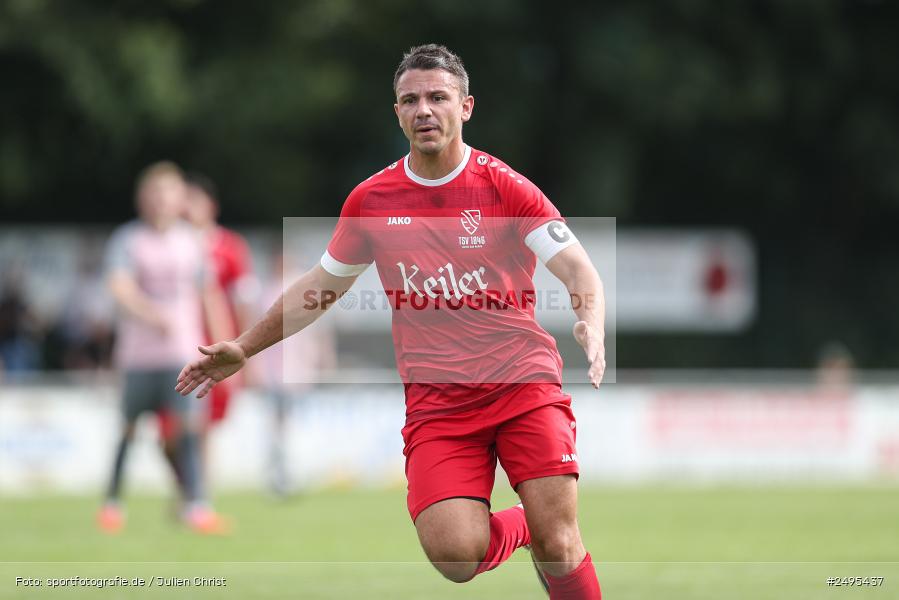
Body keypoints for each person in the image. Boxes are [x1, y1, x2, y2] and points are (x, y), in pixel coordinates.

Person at [176, 45, 606, 598]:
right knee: (455, 556)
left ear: (466, 106)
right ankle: (529, 525)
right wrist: (244, 346)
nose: (424, 109)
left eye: (438, 97)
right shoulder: (373, 199)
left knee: (562, 544)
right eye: (411, 100)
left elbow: (577, 269)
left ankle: (545, 528)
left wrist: (590, 320)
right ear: (397, 113)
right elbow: (322, 286)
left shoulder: (504, 187)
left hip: (523, 384)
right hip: (439, 402)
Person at [98, 161, 230, 535]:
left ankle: (197, 506)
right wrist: (151, 314)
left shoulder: (192, 241)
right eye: (154, 193)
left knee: (189, 430)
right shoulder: (128, 240)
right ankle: (112, 503)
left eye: (169, 193)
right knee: (128, 429)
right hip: (138, 355)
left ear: (179, 199)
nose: (161, 201)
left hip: (182, 355)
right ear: (143, 199)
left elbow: (209, 295)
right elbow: (119, 287)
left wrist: (227, 347)